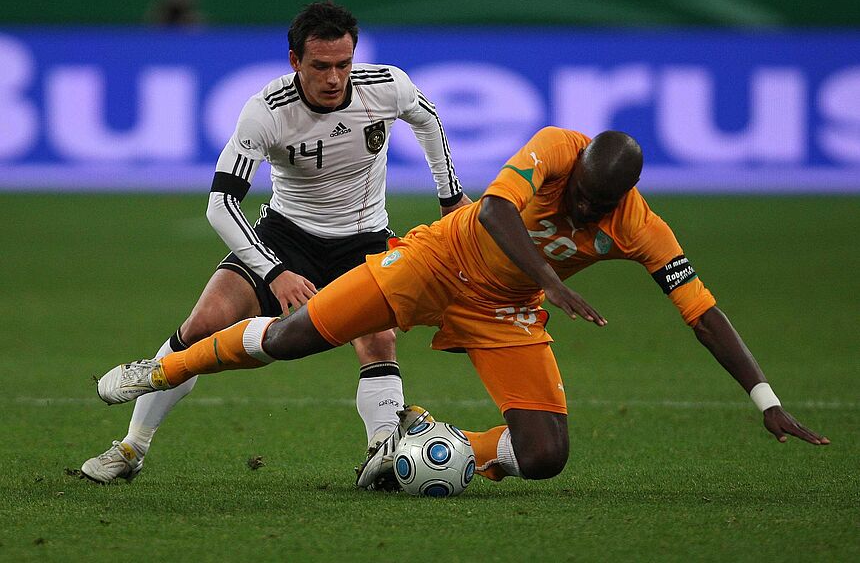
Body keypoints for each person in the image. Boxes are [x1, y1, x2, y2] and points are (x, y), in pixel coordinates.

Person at [95, 126, 829, 488]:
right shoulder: (555, 148)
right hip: (434, 260)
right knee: (292, 338)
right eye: (579, 194)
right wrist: (554, 280)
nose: (581, 208)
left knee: (545, 456)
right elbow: (494, 213)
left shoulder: (642, 227)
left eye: (596, 206)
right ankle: (163, 370)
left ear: (625, 197)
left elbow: (704, 314)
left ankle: (427, 451)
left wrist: (765, 400)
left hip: (504, 308)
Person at [81, 0, 470, 484]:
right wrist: (275, 271)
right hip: (286, 238)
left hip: (365, 239)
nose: (334, 78)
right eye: (320, 66)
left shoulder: (386, 86)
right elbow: (221, 204)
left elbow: (426, 117)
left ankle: (382, 453)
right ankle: (130, 449)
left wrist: (450, 195)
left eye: (344, 64)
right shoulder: (267, 111)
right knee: (202, 327)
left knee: (379, 339)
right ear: (294, 61)